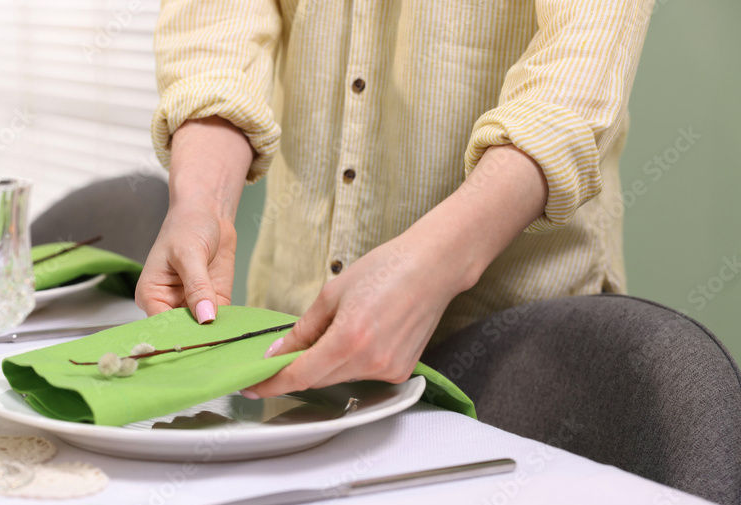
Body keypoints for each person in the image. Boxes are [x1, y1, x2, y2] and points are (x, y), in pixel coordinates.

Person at [135, 2, 653, 398]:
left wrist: (437, 264)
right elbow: (217, 30)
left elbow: (578, 74)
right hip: (293, 316)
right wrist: (202, 200)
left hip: (514, 343)